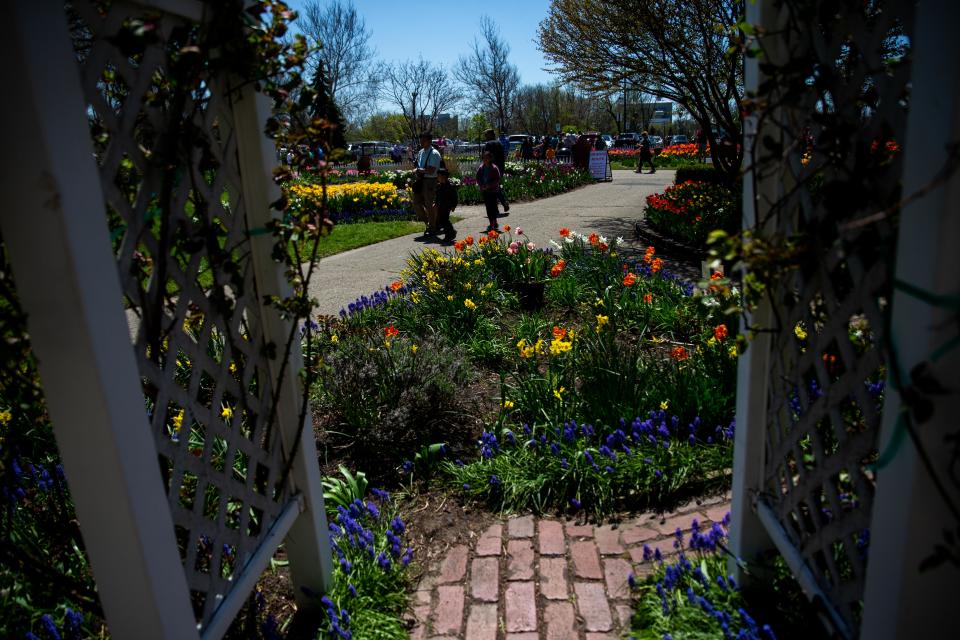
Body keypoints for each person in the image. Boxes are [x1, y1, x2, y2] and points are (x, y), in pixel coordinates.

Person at [413, 131, 442, 235]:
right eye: (421, 139)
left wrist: (418, 170)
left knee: (429, 204)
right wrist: (417, 170)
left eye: (423, 140)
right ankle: (428, 223)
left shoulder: (434, 153)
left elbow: (431, 170)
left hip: (430, 181)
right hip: (420, 180)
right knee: (416, 203)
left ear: (429, 141)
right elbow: (419, 166)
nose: (421, 141)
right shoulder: (421, 152)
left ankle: (433, 227)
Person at [482, 128, 510, 213]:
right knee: (496, 185)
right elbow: (504, 156)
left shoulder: (488, 144)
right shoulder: (500, 143)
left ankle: (500, 204)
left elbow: (486, 157)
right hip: (500, 167)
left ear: (490, 135)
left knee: (491, 187)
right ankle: (501, 204)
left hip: (491, 168)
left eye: (486, 135)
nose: (485, 136)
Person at [476, 151, 502, 232]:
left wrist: (489, 185)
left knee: (493, 207)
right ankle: (492, 223)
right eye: (484, 157)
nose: (485, 159)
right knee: (488, 207)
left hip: (493, 190)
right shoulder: (481, 168)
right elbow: (478, 178)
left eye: (487, 158)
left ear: (490, 158)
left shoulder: (494, 168)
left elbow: (497, 179)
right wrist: (482, 185)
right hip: (485, 190)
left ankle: (493, 222)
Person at [434, 168, 458, 243]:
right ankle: (451, 232)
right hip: (441, 206)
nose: (437, 177)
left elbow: (455, 197)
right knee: (442, 220)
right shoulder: (439, 186)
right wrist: (436, 203)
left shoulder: (450, 186)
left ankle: (450, 234)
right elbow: (437, 196)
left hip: (447, 206)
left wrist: (454, 205)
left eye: (438, 176)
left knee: (444, 220)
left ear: (444, 176)